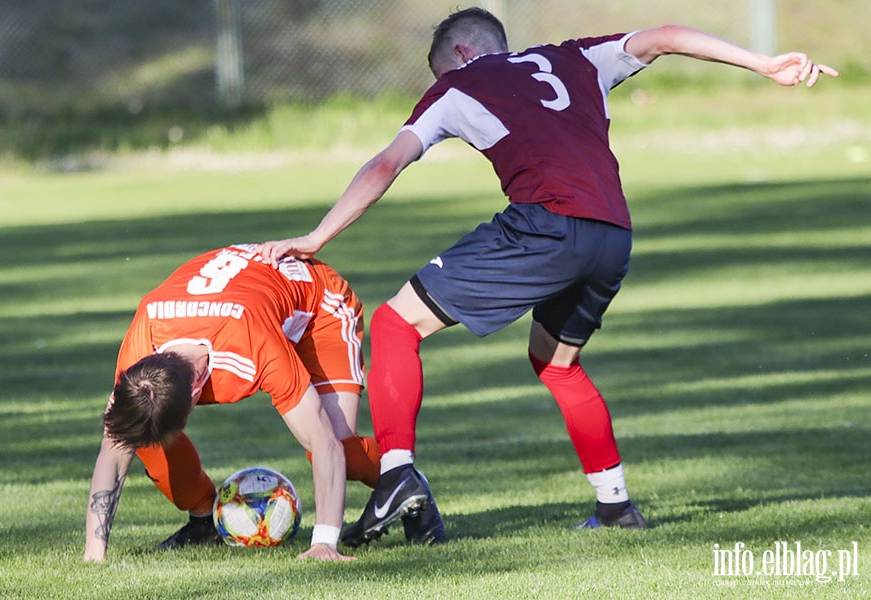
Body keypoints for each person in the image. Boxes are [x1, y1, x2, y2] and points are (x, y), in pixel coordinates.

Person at [259, 9, 838, 546]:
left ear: (460, 53)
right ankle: (615, 505)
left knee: (391, 325)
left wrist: (315, 239)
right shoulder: (577, 57)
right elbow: (665, 37)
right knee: (557, 362)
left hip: (546, 224)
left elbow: (387, 162)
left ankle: (396, 475)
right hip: (612, 233)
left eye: (438, 72)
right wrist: (763, 63)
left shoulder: (456, 86)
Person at [84, 243, 384, 562]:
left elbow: (324, 442)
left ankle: (399, 478)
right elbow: (115, 445)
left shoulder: (252, 344)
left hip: (318, 307)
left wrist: (324, 542)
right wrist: (94, 554)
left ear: (199, 389)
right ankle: (205, 520)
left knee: (343, 451)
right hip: (242, 300)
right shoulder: (143, 345)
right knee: (142, 432)